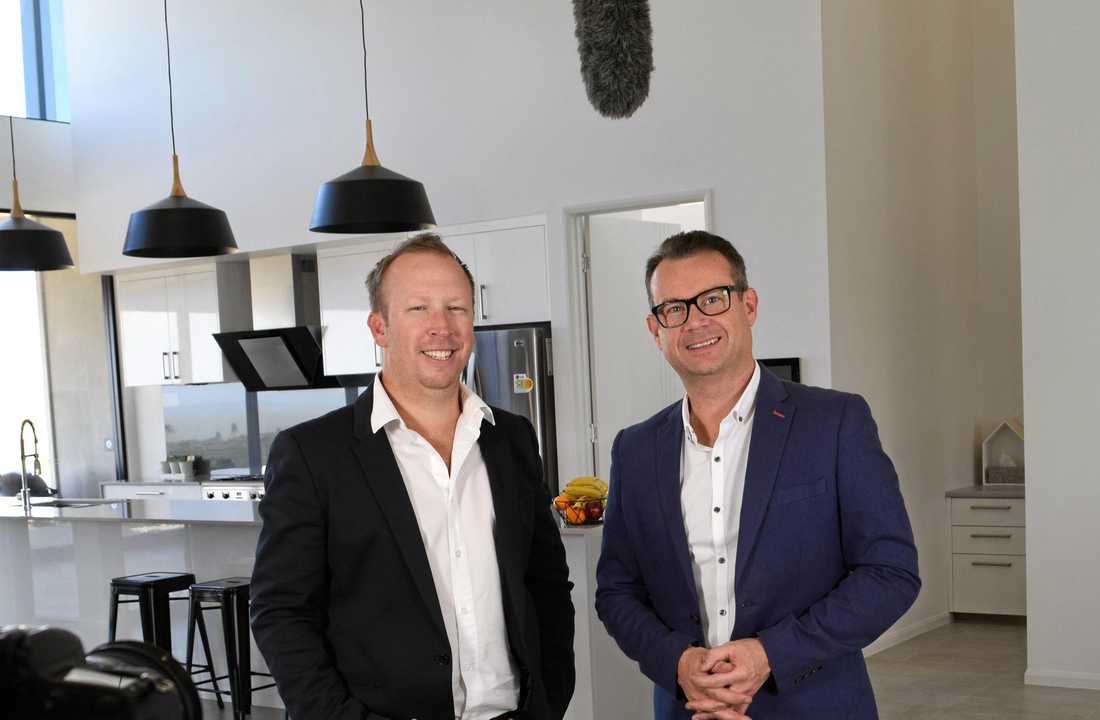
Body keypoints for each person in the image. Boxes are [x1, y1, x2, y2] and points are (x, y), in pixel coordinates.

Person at [595, 231, 920, 719]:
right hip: (688, 707)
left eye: (712, 299)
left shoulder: (835, 423)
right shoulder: (635, 449)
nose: (695, 321)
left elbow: (890, 573)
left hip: (814, 704)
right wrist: (679, 664)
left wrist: (769, 654)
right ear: (654, 328)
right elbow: (617, 591)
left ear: (748, 305)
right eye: (674, 309)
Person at [251, 234, 574, 720]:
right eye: (418, 308)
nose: (441, 327)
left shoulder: (511, 439)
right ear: (379, 327)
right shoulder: (312, 453)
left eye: (456, 308)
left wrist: (548, 700)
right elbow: (281, 613)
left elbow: (547, 584)